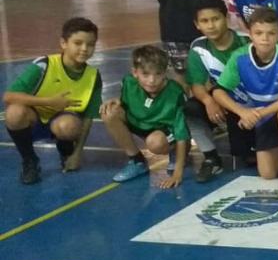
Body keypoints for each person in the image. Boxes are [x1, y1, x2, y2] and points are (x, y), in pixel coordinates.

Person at [213, 7, 278, 194]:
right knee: (267, 173)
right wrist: (242, 112)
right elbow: (218, 91)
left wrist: (257, 114)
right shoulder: (239, 57)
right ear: (250, 34)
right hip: (261, 114)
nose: (265, 38)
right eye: (259, 33)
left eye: (271, 33)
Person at [4, 18, 101, 184]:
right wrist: (50, 102)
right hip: (34, 120)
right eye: (78, 43)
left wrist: (78, 153)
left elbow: (88, 118)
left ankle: (66, 150)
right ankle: (29, 160)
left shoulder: (93, 76)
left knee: (69, 126)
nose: (85, 49)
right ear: (63, 43)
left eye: (90, 44)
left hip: (63, 122)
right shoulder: (44, 64)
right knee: (14, 113)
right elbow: (9, 96)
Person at [183, 0, 252, 183]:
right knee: (191, 108)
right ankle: (211, 158)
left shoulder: (247, 42)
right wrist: (208, 101)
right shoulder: (198, 47)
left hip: (249, 106)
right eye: (204, 21)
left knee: (248, 158)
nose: (211, 26)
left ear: (226, 18)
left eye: (215, 19)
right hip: (222, 103)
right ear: (197, 24)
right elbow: (196, 84)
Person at [100, 46, 189, 188]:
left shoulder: (175, 93)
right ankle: (137, 161)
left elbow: (182, 132)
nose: (152, 80)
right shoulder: (128, 82)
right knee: (108, 112)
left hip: (163, 131)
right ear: (135, 72)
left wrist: (178, 172)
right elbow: (127, 102)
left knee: (155, 143)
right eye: (145, 74)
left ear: (165, 73)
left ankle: (174, 152)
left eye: (158, 74)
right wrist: (117, 101)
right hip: (139, 123)